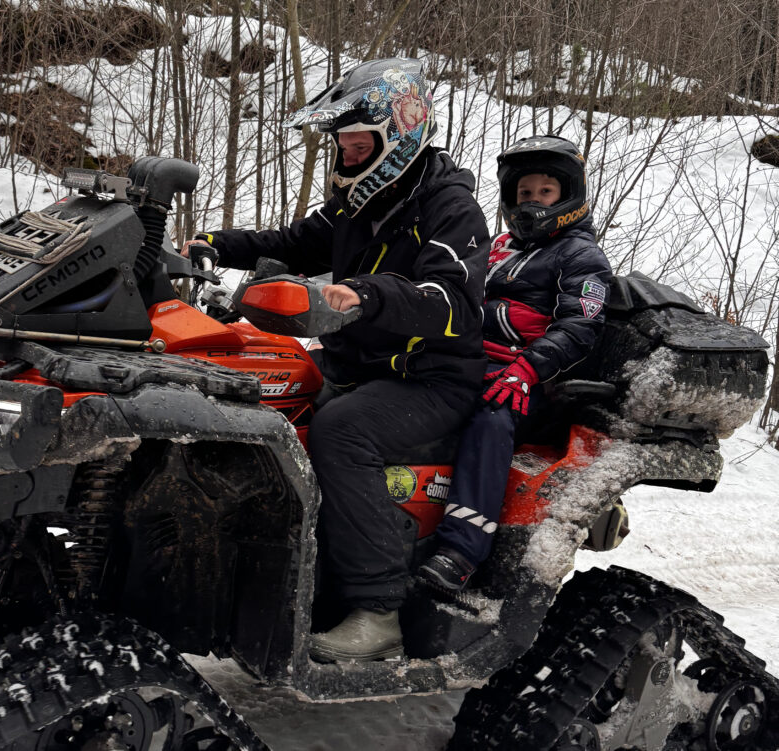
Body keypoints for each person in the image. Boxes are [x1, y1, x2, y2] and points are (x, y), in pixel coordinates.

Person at [183, 58, 490, 662]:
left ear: (396, 135)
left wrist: (370, 295)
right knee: (258, 393)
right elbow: (293, 242)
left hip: (431, 379)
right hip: (360, 367)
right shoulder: (358, 203)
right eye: (344, 146)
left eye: (358, 144)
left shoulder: (449, 208)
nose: (347, 156)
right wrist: (220, 244)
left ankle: (378, 611)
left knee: (340, 430)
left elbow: (451, 300)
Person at [417, 135, 614, 591]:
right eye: (524, 193)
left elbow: (582, 326)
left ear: (568, 195)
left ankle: (461, 551)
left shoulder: (581, 255)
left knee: (490, 418)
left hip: (531, 381)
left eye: (545, 192)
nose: (532, 201)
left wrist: (527, 369)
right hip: (467, 360)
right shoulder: (501, 245)